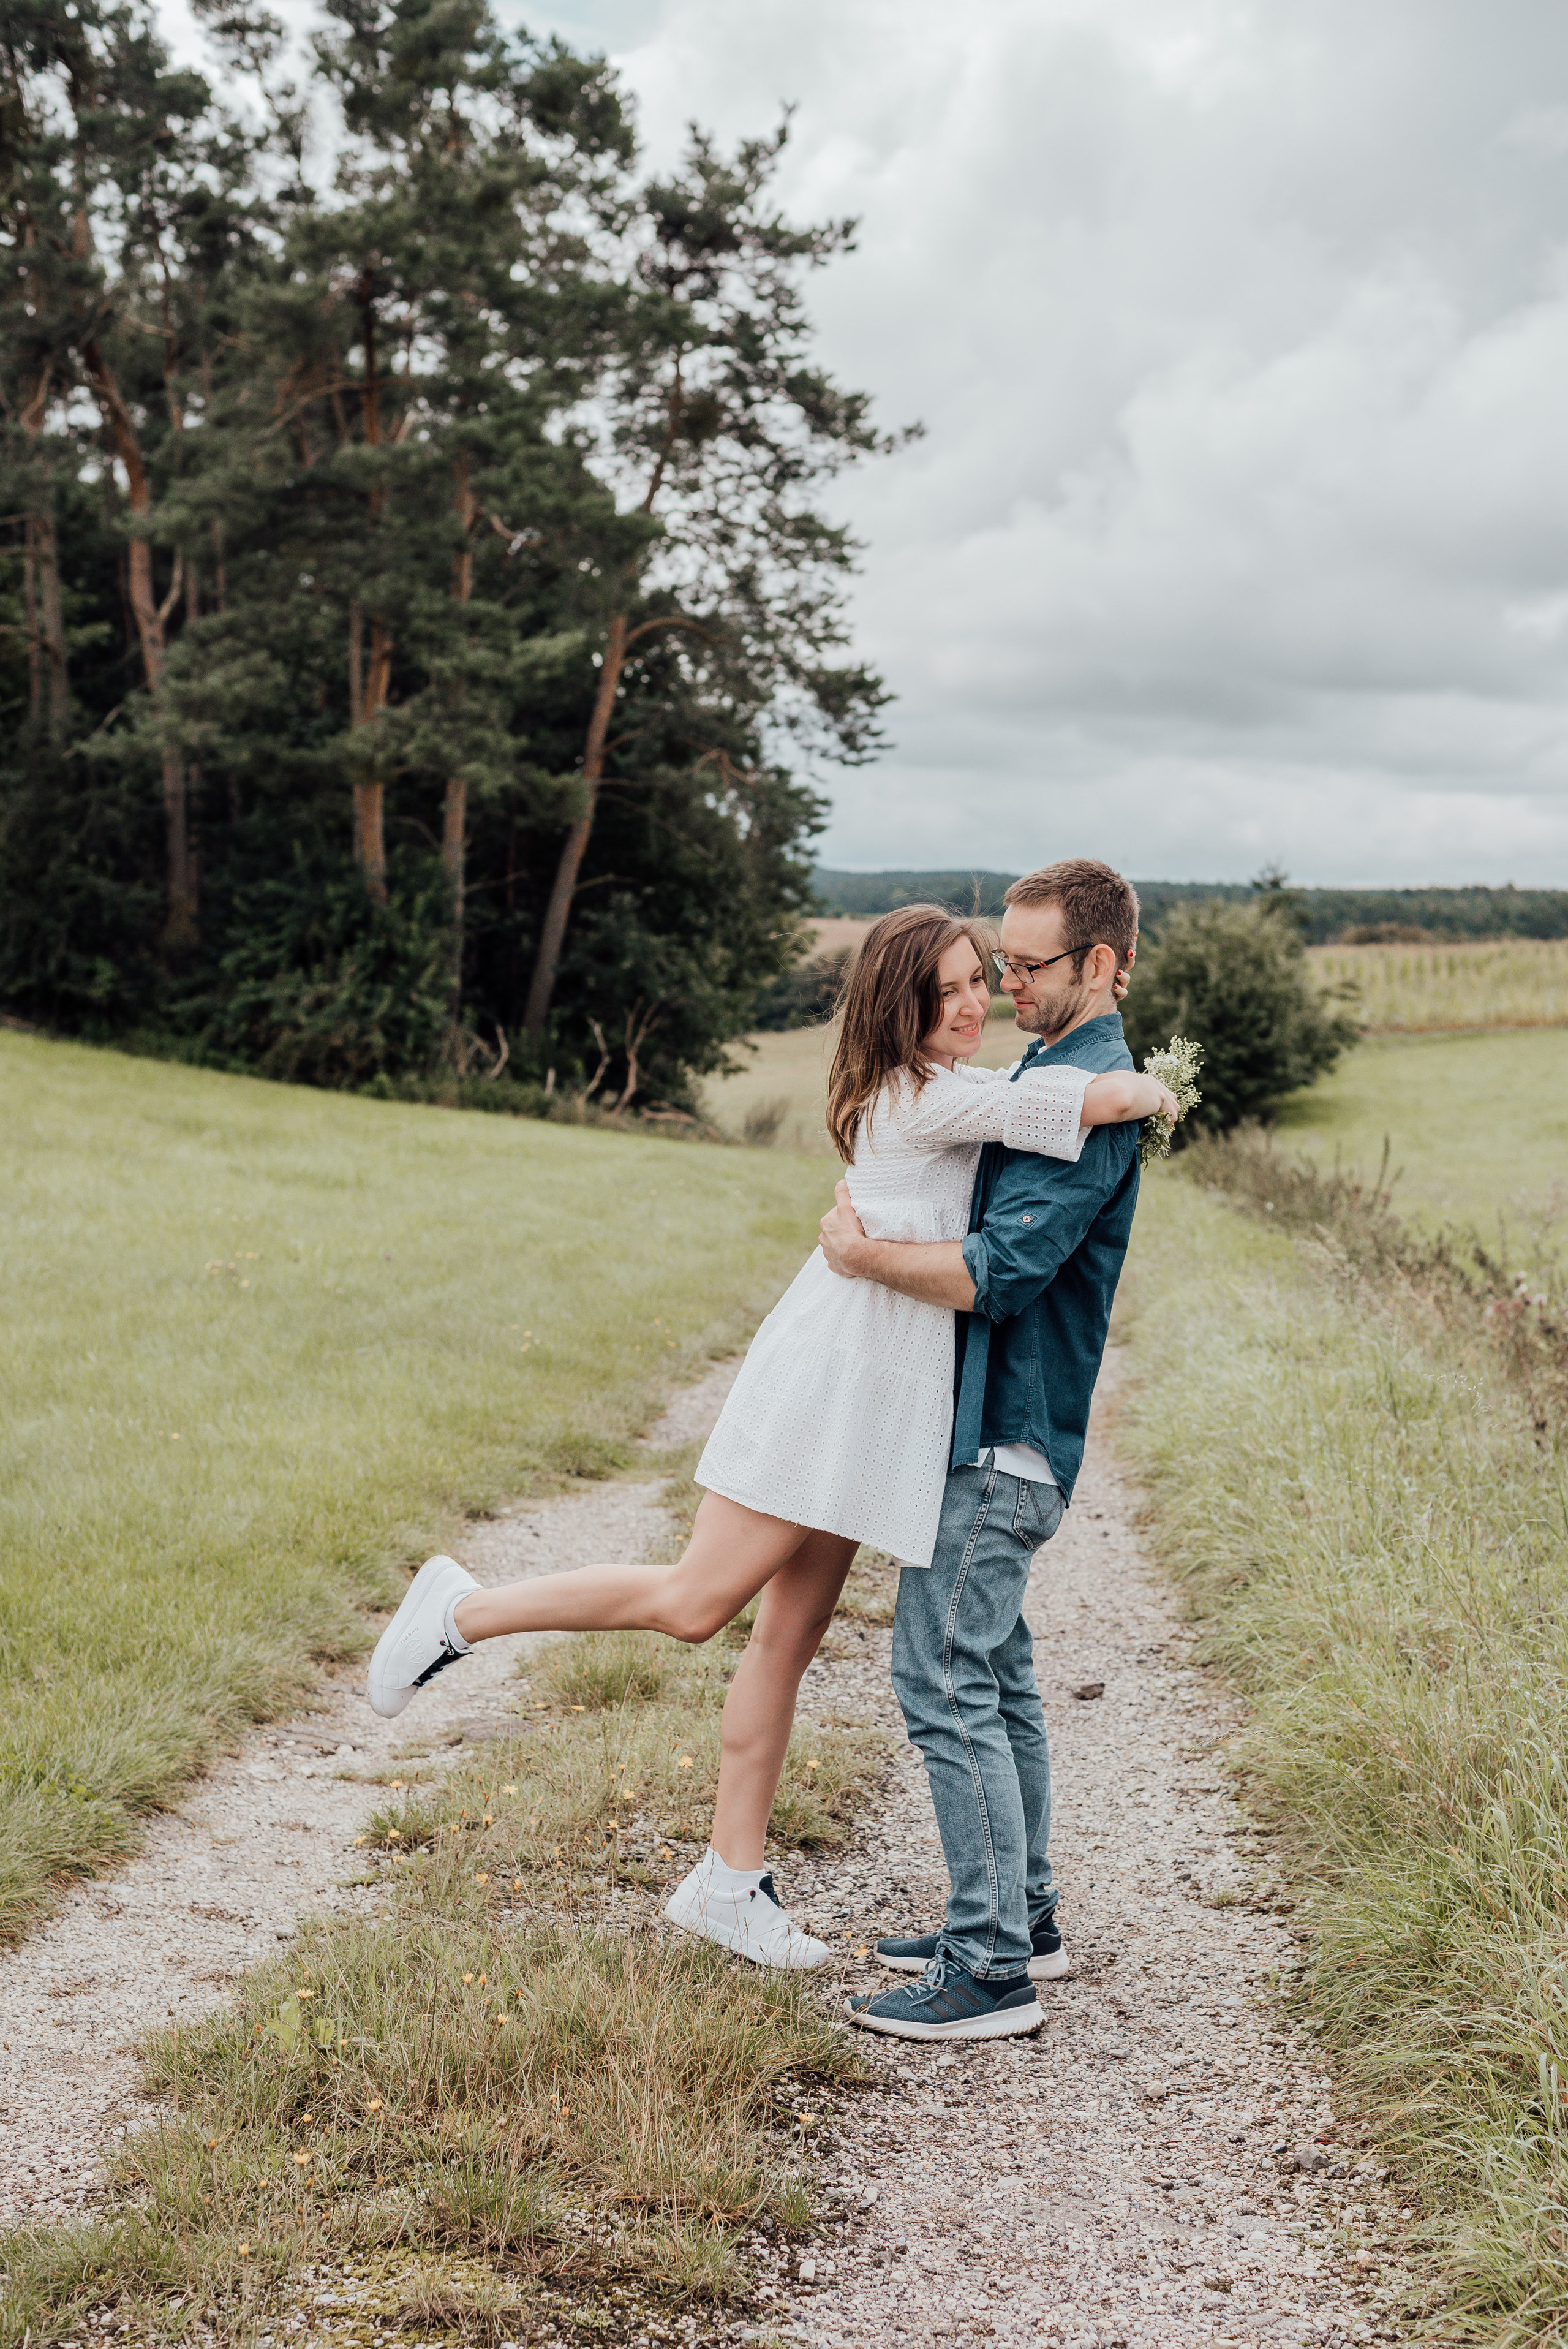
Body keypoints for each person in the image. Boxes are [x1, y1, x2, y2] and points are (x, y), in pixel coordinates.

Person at [366, 904, 1177, 1970]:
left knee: (785, 1640)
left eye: (987, 979)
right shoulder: (923, 1095)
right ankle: (463, 1610)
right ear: (904, 1007)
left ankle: (729, 1880)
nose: (979, 1002)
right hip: (831, 1382)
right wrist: (1161, 1089)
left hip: (880, 1405)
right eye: (953, 990)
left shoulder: (944, 1091)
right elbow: (1083, 1098)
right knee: (698, 1603)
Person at [817, 859, 1150, 2044]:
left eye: (1027, 964)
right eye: (999, 962)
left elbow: (998, 1275)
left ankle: (989, 1965)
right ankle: (1028, 1915)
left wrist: (859, 1262)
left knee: (941, 1674)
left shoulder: (1092, 1085)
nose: (1006, 983)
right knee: (995, 1674)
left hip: (1006, 1436)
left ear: (1101, 966)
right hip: (1001, 1427)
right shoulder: (1056, 1071)